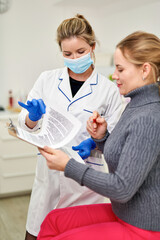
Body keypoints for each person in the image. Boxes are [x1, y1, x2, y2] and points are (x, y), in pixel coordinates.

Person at [37, 31, 160, 240]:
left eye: (120, 69)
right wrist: (102, 138)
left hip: (142, 226)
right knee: (53, 220)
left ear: (145, 70)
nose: (114, 75)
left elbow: (121, 188)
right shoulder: (135, 104)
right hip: (123, 212)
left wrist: (68, 165)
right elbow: (131, 157)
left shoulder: (148, 117)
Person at [18, 14, 122, 240]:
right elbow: (25, 125)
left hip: (85, 183)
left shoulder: (108, 89)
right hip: (48, 179)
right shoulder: (47, 80)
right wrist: (32, 117)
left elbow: (116, 136)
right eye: (67, 54)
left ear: (92, 47)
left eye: (81, 52)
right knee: (36, 234)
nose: (74, 58)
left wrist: (95, 141)